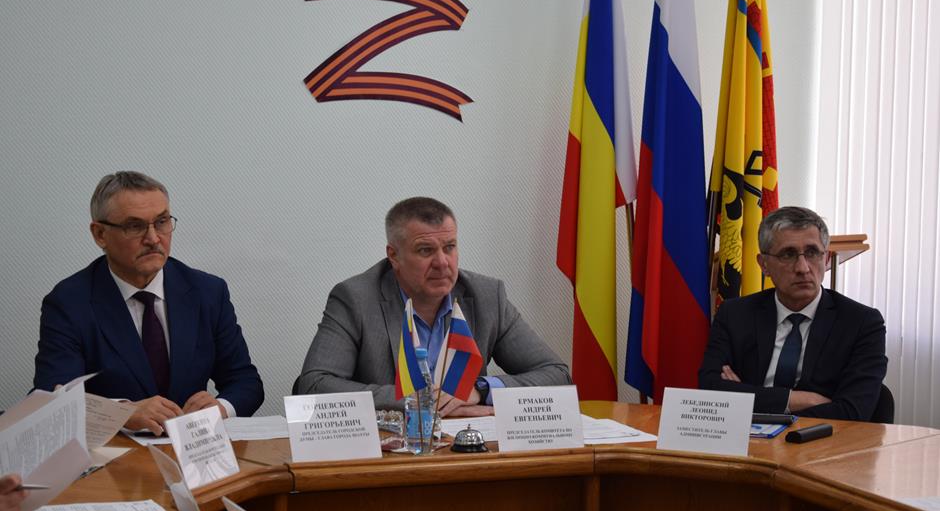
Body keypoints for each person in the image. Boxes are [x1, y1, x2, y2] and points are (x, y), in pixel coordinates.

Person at [297, 197, 571, 416]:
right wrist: (420, 401)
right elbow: (313, 386)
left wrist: (480, 390)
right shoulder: (356, 298)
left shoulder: (487, 296)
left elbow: (557, 375)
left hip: (466, 450)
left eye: (449, 247)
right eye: (425, 250)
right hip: (389, 452)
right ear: (394, 255)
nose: (442, 262)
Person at [35, 172, 263, 434]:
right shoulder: (68, 303)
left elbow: (245, 382)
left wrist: (220, 407)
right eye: (135, 226)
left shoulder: (207, 291)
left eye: (162, 222)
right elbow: (54, 400)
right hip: (116, 453)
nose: (153, 238)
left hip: (194, 448)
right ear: (100, 234)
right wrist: (122, 412)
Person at [699, 206, 887, 421]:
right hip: (747, 438)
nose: (803, 268)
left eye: (812, 252)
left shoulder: (862, 323)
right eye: (788, 254)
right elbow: (710, 392)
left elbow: (852, 412)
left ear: (826, 259)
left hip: (822, 439)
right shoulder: (734, 314)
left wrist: (746, 398)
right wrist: (797, 400)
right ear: (764, 265)